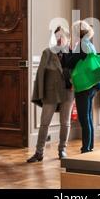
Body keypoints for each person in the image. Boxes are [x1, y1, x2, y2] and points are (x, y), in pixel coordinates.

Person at [27, 27, 74, 162]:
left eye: (62, 36)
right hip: (50, 93)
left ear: (67, 38)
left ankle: (62, 150)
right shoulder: (47, 53)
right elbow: (40, 75)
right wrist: (40, 95)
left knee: (65, 122)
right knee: (44, 123)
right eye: (57, 36)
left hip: (68, 92)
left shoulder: (73, 53)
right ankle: (39, 152)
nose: (59, 39)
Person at [65, 21, 100, 154]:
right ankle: (90, 146)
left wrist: (68, 51)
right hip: (93, 85)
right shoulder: (89, 44)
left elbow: (69, 63)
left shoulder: (81, 45)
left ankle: (86, 148)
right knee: (88, 116)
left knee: (84, 117)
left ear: (78, 32)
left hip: (84, 85)